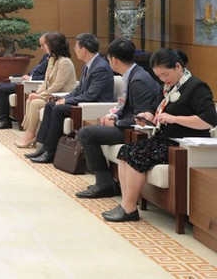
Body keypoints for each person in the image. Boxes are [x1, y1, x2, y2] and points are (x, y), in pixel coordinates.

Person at [103, 48, 217, 222]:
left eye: (166, 75)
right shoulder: (167, 87)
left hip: (182, 145)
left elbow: (208, 120)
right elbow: (154, 106)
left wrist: (174, 118)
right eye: (159, 77)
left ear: (178, 67)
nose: (163, 80)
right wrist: (148, 116)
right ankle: (127, 204)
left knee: (136, 155)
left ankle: (129, 208)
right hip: (163, 139)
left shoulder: (196, 86)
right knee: (125, 152)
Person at [75, 38, 160, 199]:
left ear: (114, 60)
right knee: (88, 131)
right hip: (127, 126)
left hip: (135, 132)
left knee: (86, 133)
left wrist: (116, 122)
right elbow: (125, 106)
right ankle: (105, 181)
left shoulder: (138, 80)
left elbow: (141, 119)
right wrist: (114, 115)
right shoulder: (133, 74)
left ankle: (104, 183)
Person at [26, 32, 114, 163]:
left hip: (93, 106)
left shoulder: (100, 67)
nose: (75, 50)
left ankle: (50, 151)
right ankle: (44, 147)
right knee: (51, 105)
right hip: (83, 102)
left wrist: (66, 101)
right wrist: (65, 98)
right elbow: (78, 89)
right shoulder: (89, 64)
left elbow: (90, 95)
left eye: (76, 47)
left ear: (84, 50)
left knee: (58, 109)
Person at [14, 32, 77, 144]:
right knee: (30, 99)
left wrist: (40, 95)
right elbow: (46, 82)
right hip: (50, 95)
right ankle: (29, 133)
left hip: (60, 96)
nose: (44, 47)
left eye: (46, 44)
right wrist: (37, 93)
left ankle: (30, 135)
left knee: (35, 103)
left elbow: (57, 85)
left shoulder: (65, 62)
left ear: (53, 45)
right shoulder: (52, 60)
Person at [0, 32, 50, 130]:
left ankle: (5, 121)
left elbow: (47, 77)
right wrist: (27, 76)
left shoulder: (53, 59)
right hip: (27, 80)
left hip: (32, 84)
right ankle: (1, 116)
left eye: (42, 45)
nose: (41, 48)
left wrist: (31, 78)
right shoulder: (46, 56)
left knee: (3, 89)